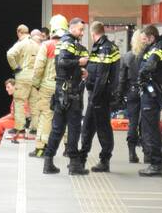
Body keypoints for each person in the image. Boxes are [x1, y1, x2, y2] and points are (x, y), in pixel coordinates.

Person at [42, 17, 90, 175]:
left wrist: (79, 70)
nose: (82, 32)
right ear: (72, 28)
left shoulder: (65, 42)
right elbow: (63, 62)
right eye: (80, 29)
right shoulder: (68, 42)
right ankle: (74, 165)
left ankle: (48, 162)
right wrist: (80, 63)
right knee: (74, 128)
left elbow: (63, 66)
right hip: (70, 93)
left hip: (62, 91)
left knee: (57, 128)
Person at [79, 22, 120, 173]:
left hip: (100, 96)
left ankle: (104, 160)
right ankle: (81, 158)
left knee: (103, 128)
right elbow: (97, 71)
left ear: (93, 33)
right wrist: (87, 73)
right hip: (96, 95)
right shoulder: (101, 47)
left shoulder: (105, 48)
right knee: (88, 127)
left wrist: (95, 98)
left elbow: (102, 76)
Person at [136, 25, 162, 177]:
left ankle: (155, 164)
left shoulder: (158, 49)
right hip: (158, 92)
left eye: (145, 39)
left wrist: (141, 76)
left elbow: (149, 66)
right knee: (152, 127)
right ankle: (156, 162)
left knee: (150, 129)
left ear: (152, 37)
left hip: (152, 93)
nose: (144, 42)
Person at [30, 18, 60, 158]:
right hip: (63, 87)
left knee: (45, 116)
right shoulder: (69, 45)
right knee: (63, 117)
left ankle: (41, 147)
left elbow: (38, 68)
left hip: (47, 86)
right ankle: (66, 147)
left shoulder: (47, 45)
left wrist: (36, 84)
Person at [5, 24, 39, 142]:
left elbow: (9, 54)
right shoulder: (36, 44)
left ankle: (20, 128)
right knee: (34, 103)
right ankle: (35, 128)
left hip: (23, 76)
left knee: (19, 102)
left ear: (18, 33)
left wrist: (15, 67)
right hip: (34, 77)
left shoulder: (20, 43)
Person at [118, 30, 145, 164]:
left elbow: (122, 79)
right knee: (146, 122)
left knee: (133, 123)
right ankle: (147, 153)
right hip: (146, 91)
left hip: (132, 92)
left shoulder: (127, 56)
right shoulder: (148, 55)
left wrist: (120, 96)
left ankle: (132, 153)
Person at [24, 29, 44, 138]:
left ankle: (35, 127)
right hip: (37, 81)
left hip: (30, 80)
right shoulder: (41, 48)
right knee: (35, 105)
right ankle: (35, 127)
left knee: (34, 105)